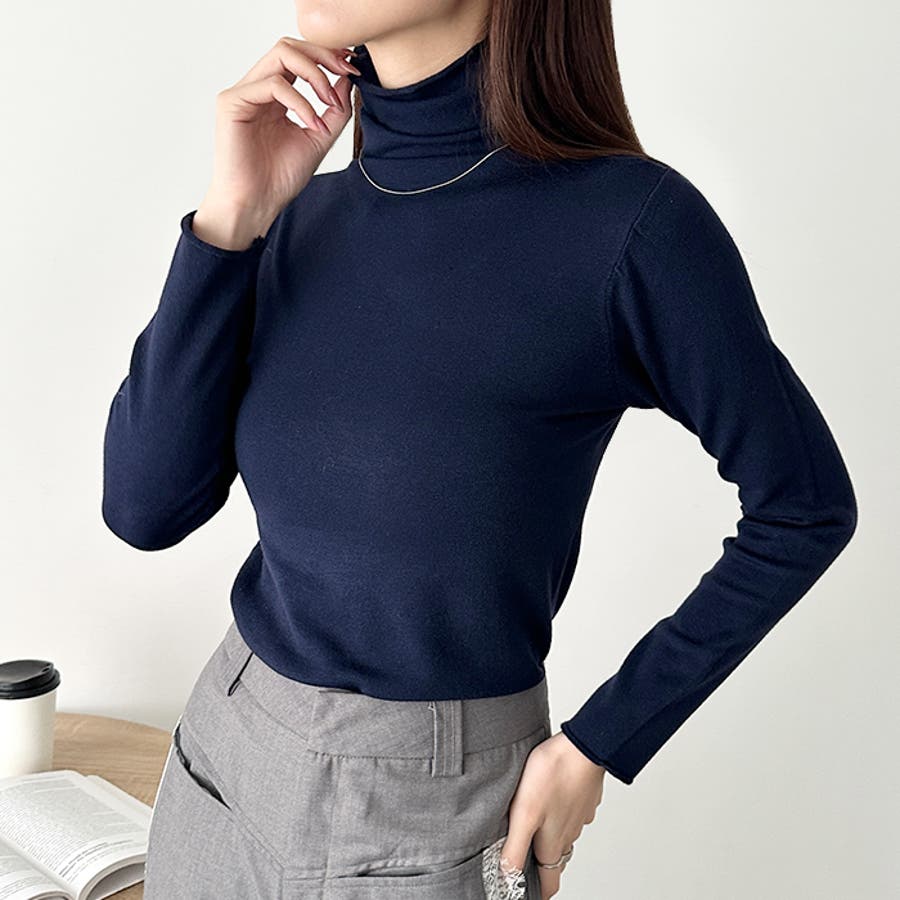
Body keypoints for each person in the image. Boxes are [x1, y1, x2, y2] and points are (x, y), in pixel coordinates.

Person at [101, 1, 858, 897]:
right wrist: (231, 217)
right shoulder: (299, 213)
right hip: (226, 757)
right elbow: (145, 509)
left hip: (432, 809)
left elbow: (803, 508)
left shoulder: (628, 224)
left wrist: (602, 742)